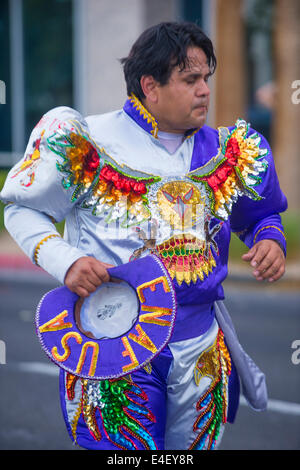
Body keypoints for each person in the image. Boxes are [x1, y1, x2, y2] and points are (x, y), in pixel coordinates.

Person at [0, 22, 287, 451]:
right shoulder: (88, 142)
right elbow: (23, 208)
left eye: (206, 78)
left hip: (200, 347)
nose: (205, 90)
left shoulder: (228, 149)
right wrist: (66, 261)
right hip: (111, 341)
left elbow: (260, 212)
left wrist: (269, 238)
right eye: (190, 80)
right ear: (150, 86)